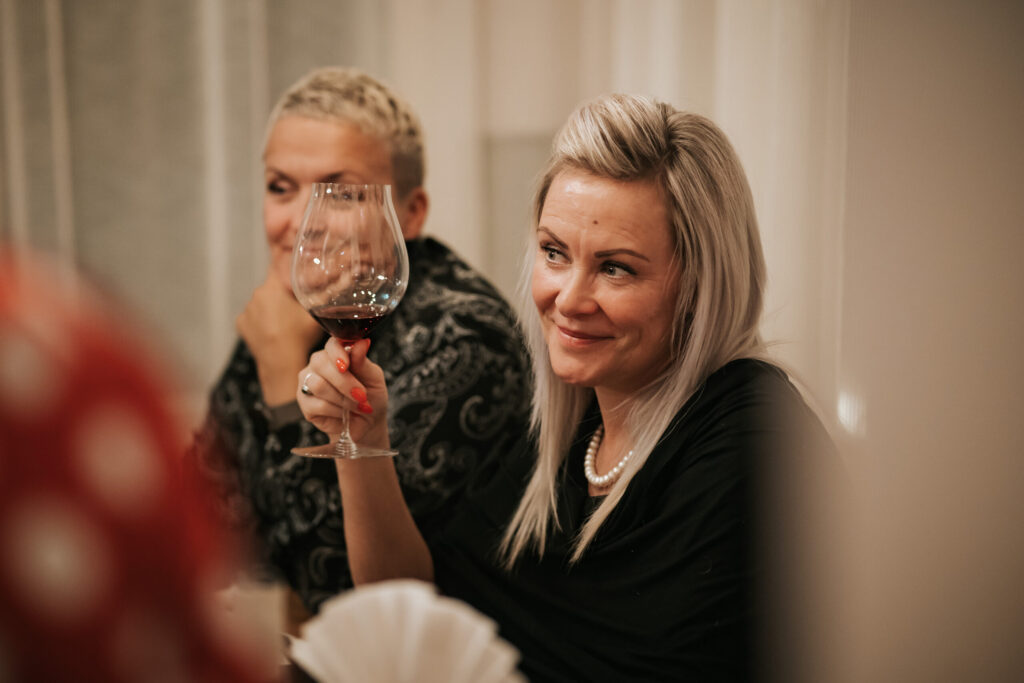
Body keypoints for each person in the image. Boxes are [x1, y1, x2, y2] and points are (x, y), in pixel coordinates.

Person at [295, 93, 834, 680]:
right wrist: (364, 438)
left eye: (615, 268)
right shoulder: (575, 425)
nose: (569, 299)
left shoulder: (755, 437)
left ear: (701, 286)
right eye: (555, 253)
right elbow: (418, 615)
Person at [188, 67, 531, 615]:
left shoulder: (468, 341)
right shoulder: (287, 310)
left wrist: (281, 372)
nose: (303, 222)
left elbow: (342, 587)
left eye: (340, 193)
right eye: (280, 188)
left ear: (411, 214)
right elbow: (197, 513)